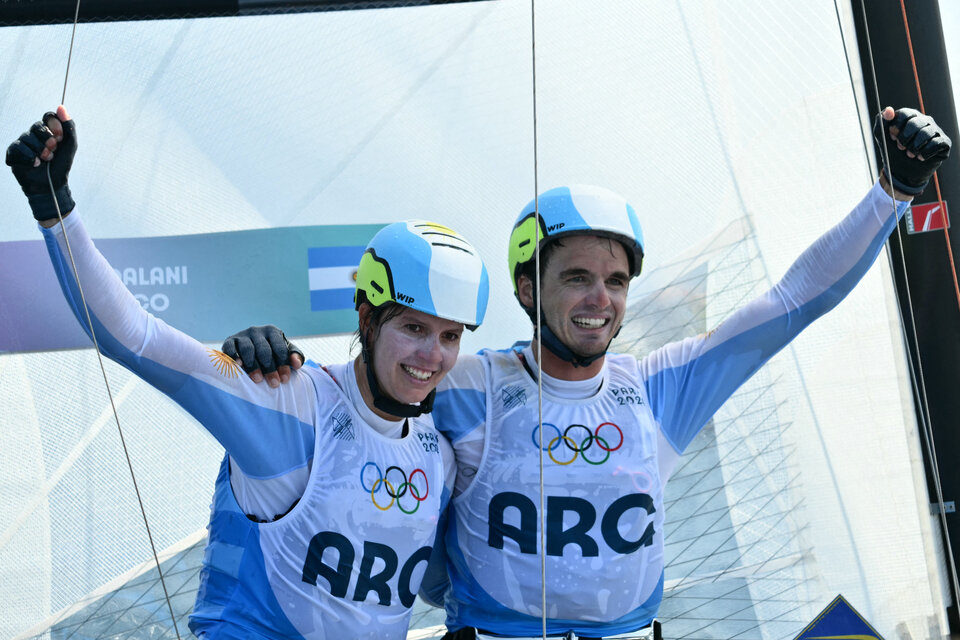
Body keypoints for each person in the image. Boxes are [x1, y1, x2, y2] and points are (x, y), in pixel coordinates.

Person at [222, 106, 951, 639]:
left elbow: (795, 299)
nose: (599, 299)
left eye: (616, 281)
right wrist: (262, 359)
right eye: (576, 278)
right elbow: (359, 393)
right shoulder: (469, 384)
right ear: (529, 289)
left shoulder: (663, 387)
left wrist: (896, 188)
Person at [6, 105, 491, 640]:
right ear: (366, 316)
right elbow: (133, 336)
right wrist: (55, 206)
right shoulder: (287, 402)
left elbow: (441, 584)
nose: (433, 355)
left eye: (450, 336)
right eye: (414, 329)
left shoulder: (438, 455)